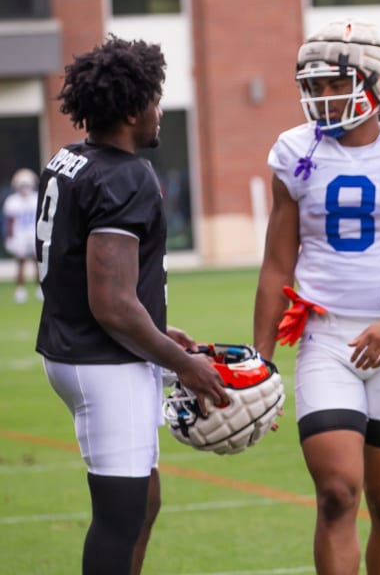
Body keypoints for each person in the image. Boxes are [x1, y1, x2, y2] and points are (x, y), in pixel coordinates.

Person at [253, 18, 380, 575]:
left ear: (379, 84)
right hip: (325, 336)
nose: (322, 97)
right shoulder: (294, 152)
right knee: (338, 493)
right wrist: (261, 361)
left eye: (334, 83)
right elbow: (276, 265)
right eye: (313, 85)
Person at [36, 35, 229, 575]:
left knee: (145, 500)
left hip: (75, 348)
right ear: (128, 108)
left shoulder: (68, 158)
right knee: (120, 517)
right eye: (153, 99)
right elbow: (113, 303)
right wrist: (182, 362)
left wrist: (166, 332)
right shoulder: (127, 176)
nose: (158, 112)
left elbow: (93, 278)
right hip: (104, 363)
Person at [4, 168, 42, 303]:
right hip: (20, 235)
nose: (25, 188)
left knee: (38, 263)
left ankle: (39, 288)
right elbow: (10, 222)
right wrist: (10, 237)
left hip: (34, 233)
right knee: (20, 263)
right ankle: (20, 290)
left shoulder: (37, 198)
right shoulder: (12, 201)